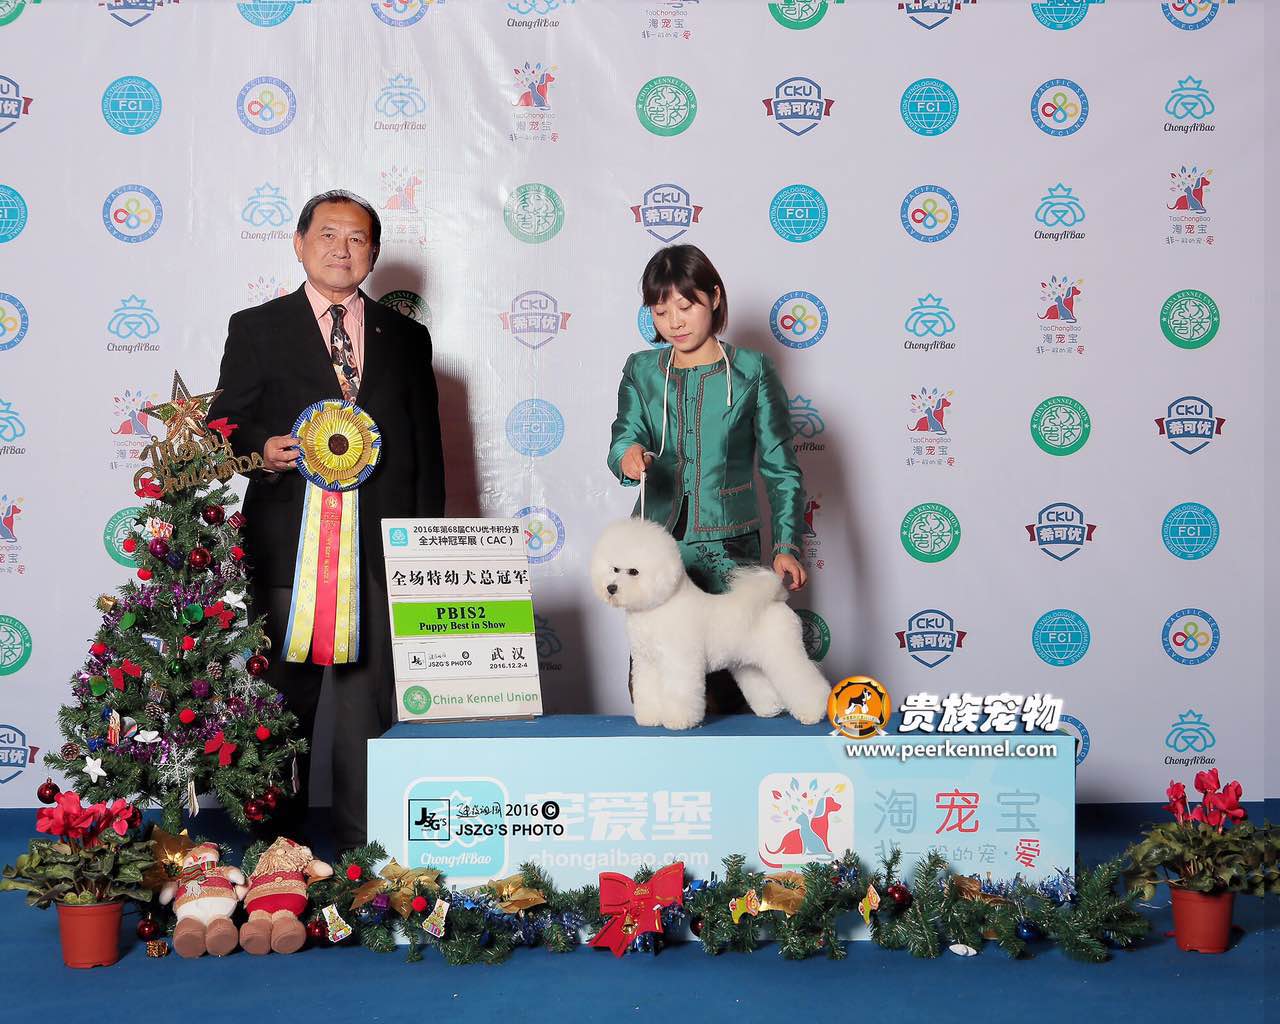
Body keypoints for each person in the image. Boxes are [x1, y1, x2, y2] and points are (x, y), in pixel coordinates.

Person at [208, 189, 445, 851]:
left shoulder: (407, 337)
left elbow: (427, 449)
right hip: (290, 545)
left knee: (368, 706)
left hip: (381, 549)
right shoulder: (256, 327)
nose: (343, 249)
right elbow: (222, 425)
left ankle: (367, 846)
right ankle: (274, 848)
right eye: (329, 235)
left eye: (358, 238)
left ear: (374, 252)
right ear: (299, 243)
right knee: (281, 701)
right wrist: (261, 450)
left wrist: (420, 548)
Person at [607, 244, 808, 712]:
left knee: (737, 689)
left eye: (685, 306)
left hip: (730, 548)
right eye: (660, 312)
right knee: (657, 688)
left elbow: (780, 467)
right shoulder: (641, 370)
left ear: (714, 298)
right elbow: (624, 435)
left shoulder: (753, 371)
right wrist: (627, 455)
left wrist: (786, 545)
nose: (674, 322)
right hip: (659, 550)